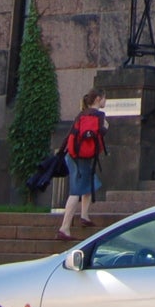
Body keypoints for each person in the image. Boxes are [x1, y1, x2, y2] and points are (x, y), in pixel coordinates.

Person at [57, 89, 108, 240]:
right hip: (82, 158)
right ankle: (64, 228)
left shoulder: (82, 114)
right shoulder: (98, 115)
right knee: (76, 191)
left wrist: (61, 151)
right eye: (105, 99)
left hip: (73, 155)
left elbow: (72, 133)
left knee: (89, 183)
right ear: (98, 99)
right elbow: (99, 132)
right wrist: (106, 127)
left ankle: (84, 216)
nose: (105, 102)